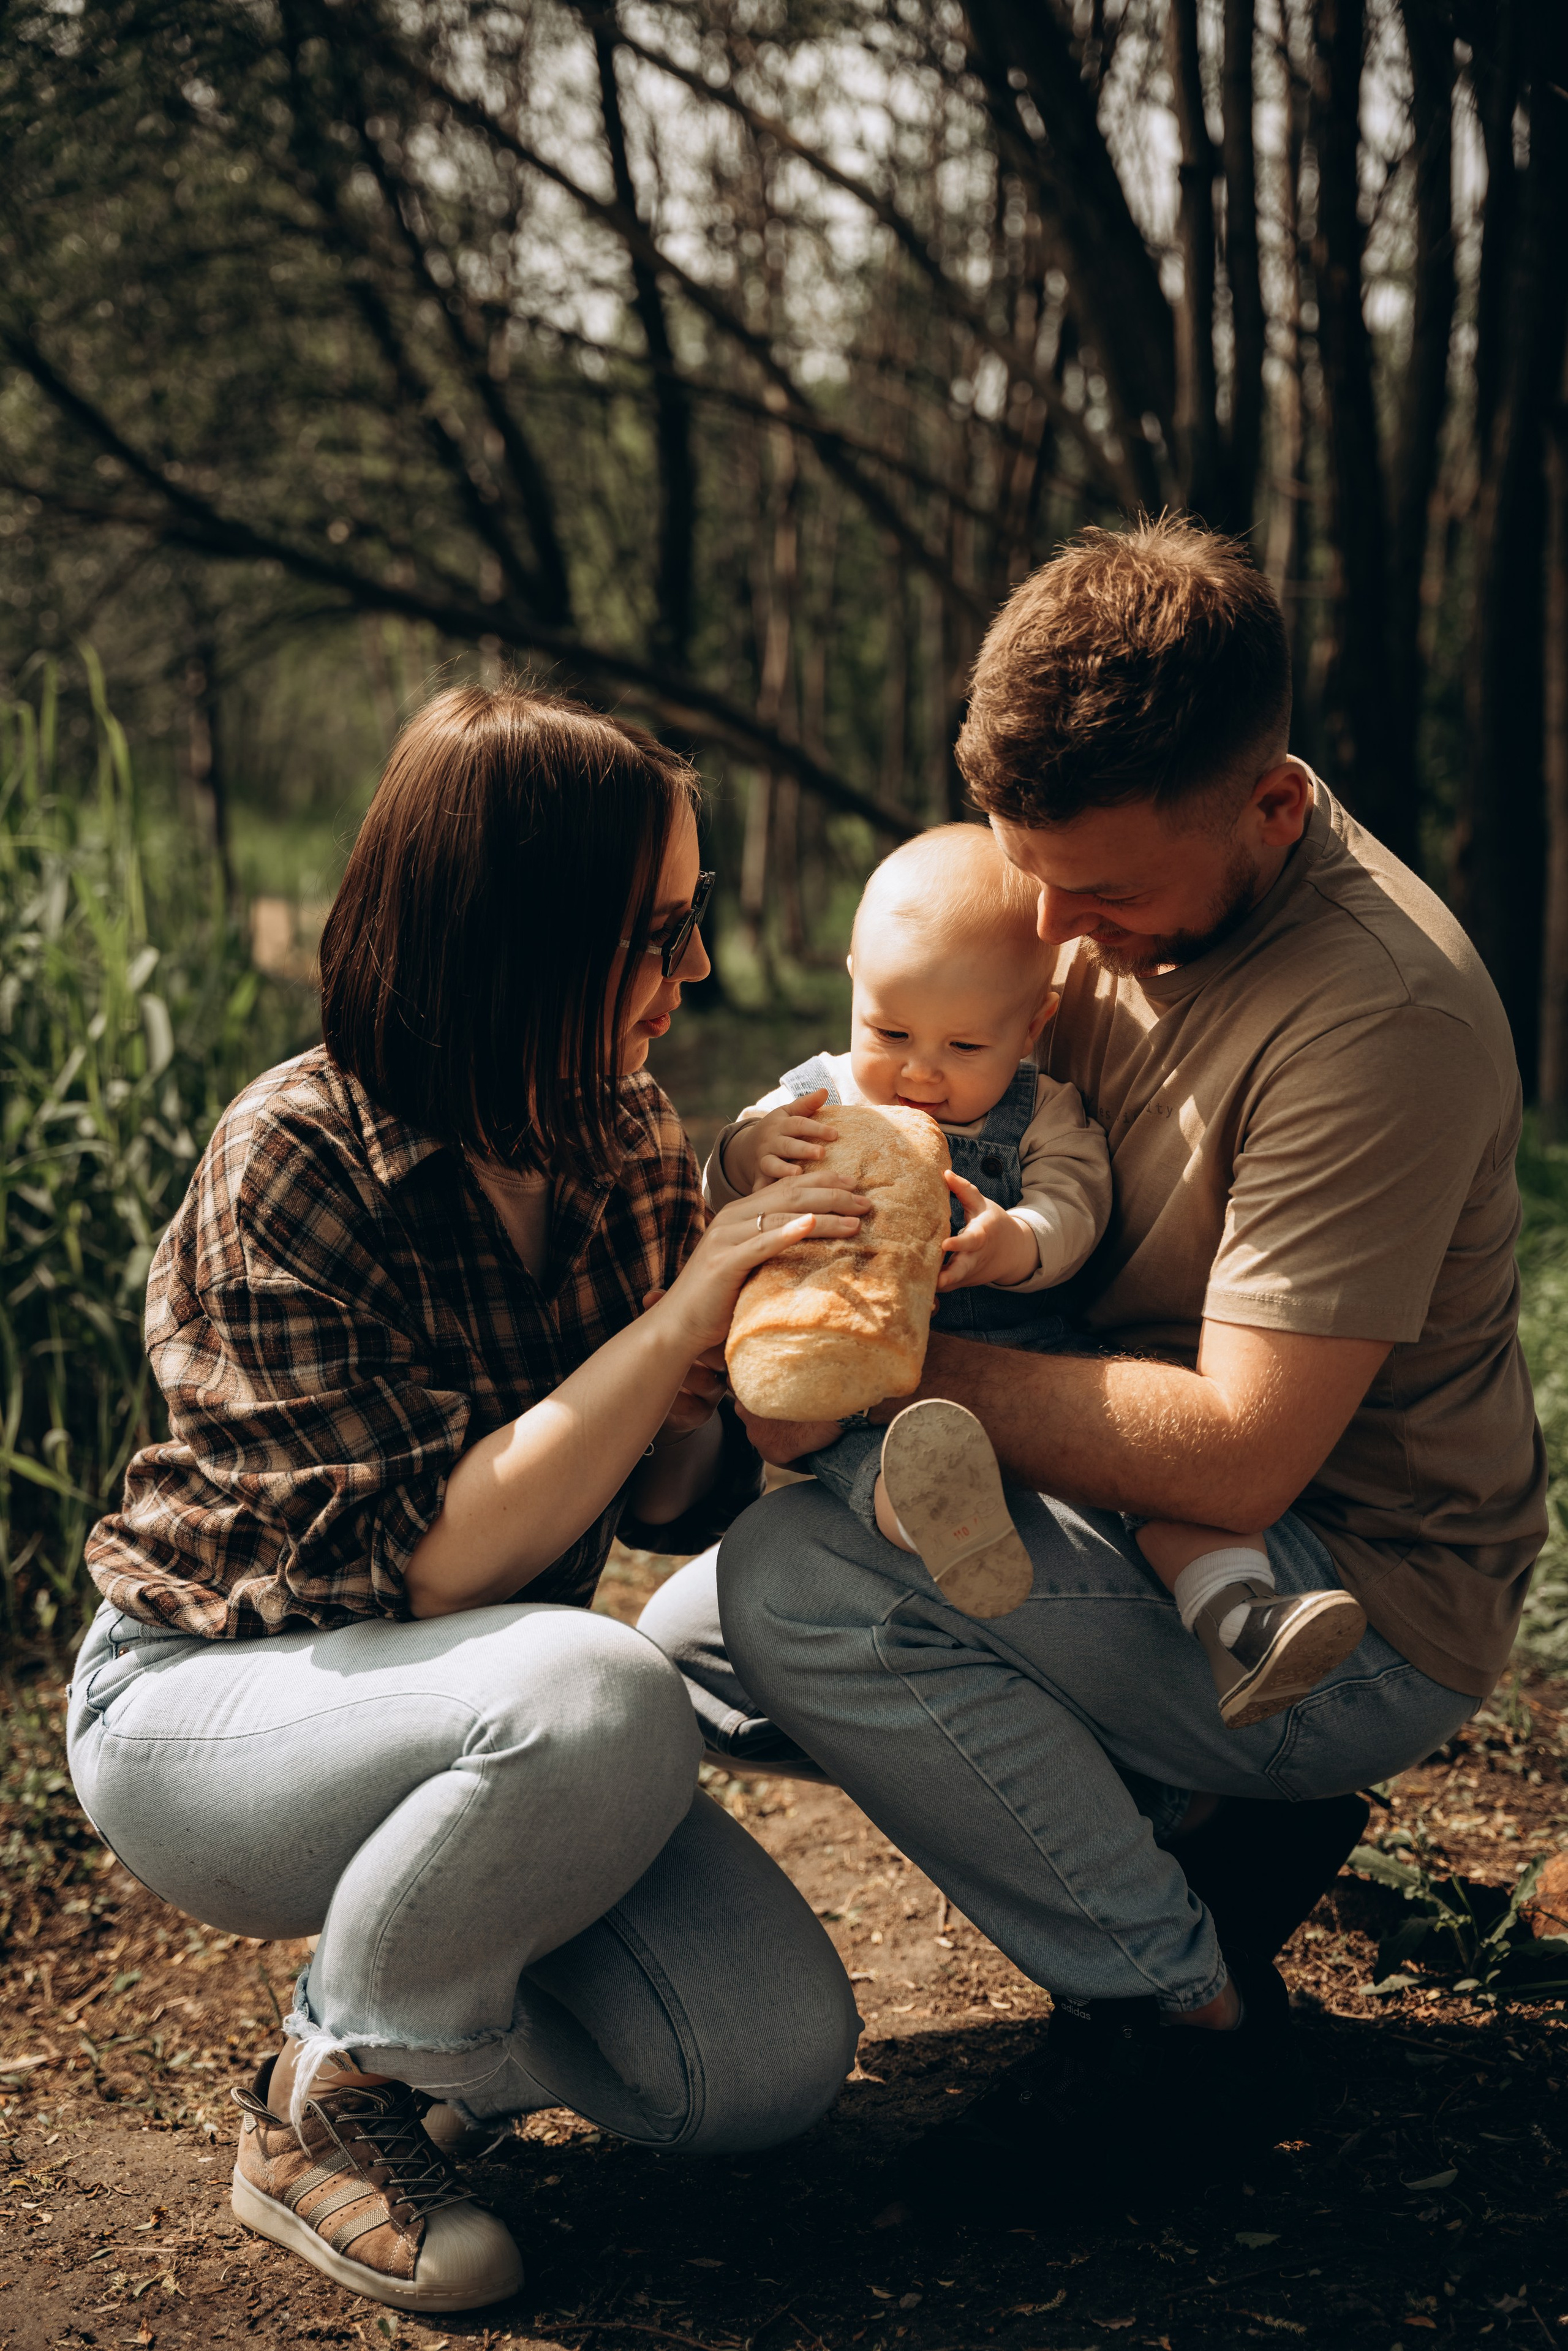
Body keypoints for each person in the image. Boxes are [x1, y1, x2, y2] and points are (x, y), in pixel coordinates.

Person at [639, 519, 1548, 2217]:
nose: (1053, 933)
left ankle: (1181, 2019)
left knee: (799, 1589)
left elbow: (1239, 1452)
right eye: (1027, 871)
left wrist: (872, 1356)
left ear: (1269, 806)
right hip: (1104, 1484)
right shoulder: (1090, 892)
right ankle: (1199, 1818)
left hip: (1331, 1592)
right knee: (684, 1653)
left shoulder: (1377, 1019)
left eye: (1103, 898)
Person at [66, 686, 865, 2316]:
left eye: (696, 917)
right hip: (213, 1704)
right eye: (657, 932)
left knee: (765, 2056)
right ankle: (331, 2094)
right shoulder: (293, 1157)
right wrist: (678, 1312)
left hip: (486, 1711)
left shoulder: (619, 1132)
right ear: (519, 940)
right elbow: (433, 1565)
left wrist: (737, 1357)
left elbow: (664, 1497)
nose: (697, 969)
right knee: (607, 1686)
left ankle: (415, 2028)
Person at [703, 824, 1368, 1724]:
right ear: (853, 979)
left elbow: (1077, 1203)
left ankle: (1239, 1616)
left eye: (965, 1048)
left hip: (1034, 1355)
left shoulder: (1043, 1111)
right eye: (889, 1031)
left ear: (1032, 1026)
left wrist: (1014, 1240)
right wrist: (745, 1154)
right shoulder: (812, 1101)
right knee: (860, 1447)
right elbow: (724, 1187)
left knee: (1139, 1464)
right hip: (863, 1362)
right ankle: (945, 1530)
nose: (919, 1072)